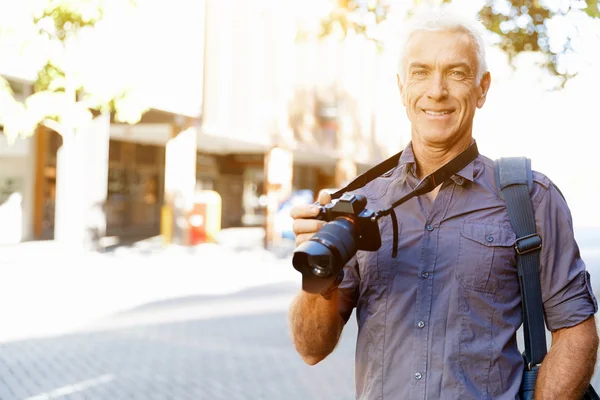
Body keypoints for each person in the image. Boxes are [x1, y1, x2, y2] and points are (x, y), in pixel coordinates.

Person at [288, 6, 599, 400]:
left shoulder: (530, 198)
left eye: (456, 72)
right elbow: (312, 349)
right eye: (421, 72)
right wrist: (318, 271)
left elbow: (575, 330)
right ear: (402, 88)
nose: (436, 90)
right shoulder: (359, 206)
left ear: (482, 88)